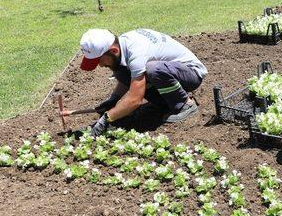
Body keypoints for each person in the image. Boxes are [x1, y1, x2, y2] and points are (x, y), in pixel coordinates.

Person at [78, 28, 208, 136]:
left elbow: (135, 100)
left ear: (113, 51)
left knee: (153, 70)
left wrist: (106, 119)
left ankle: (184, 104)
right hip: (173, 72)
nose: (100, 65)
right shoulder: (122, 46)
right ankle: (165, 103)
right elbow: (128, 78)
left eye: (99, 60)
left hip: (191, 73)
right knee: (120, 69)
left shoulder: (136, 52)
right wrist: (113, 99)